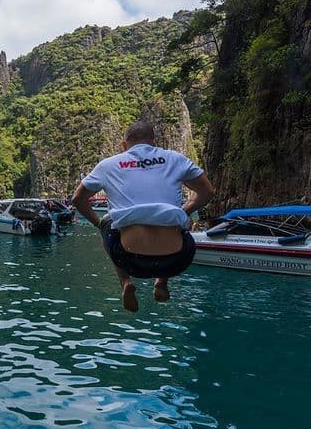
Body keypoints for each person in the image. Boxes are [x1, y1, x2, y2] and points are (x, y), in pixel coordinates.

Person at [71, 121, 214, 313]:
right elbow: (207, 192)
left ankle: (125, 283)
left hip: (128, 258)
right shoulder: (175, 159)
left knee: (106, 223)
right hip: (178, 259)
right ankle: (162, 280)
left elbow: (78, 199)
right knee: (179, 221)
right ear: (153, 142)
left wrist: (99, 224)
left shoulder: (108, 165)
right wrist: (184, 211)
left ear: (124, 145)